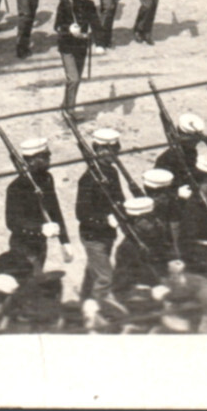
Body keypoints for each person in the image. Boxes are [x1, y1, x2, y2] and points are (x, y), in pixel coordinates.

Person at [73, 127, 125, 303]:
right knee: (105, 278)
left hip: (107, 233)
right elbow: (82, 213)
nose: (114, 155)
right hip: (93, 234)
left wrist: (121, 212)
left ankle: (84, 302)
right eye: (110, 151)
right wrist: (105, 220)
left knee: (93, 271)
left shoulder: (111, 172)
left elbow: (119, 197)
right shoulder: (88, 179)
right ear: (99, 151)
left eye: (115, 150)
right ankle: (98, 315)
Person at [4, 137, 68, 275]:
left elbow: (54, 209)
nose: (49, 159)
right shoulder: (17, 187)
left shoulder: (47, 178)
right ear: (31, 160)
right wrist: (40, 228)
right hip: (23, 246)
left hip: (40, 243)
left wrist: (64, 240)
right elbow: (12, 222)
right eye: (44, 157)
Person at [54, 0, 100, 111]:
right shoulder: (64, 5)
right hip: (67, 47)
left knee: (75, 79)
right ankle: (70, 110)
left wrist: (99, 43)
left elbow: (96, 24)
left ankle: (66, 105)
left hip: (81, 46)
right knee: (73, 79)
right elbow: (57, 27)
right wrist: (69, 29)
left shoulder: (90, 4)